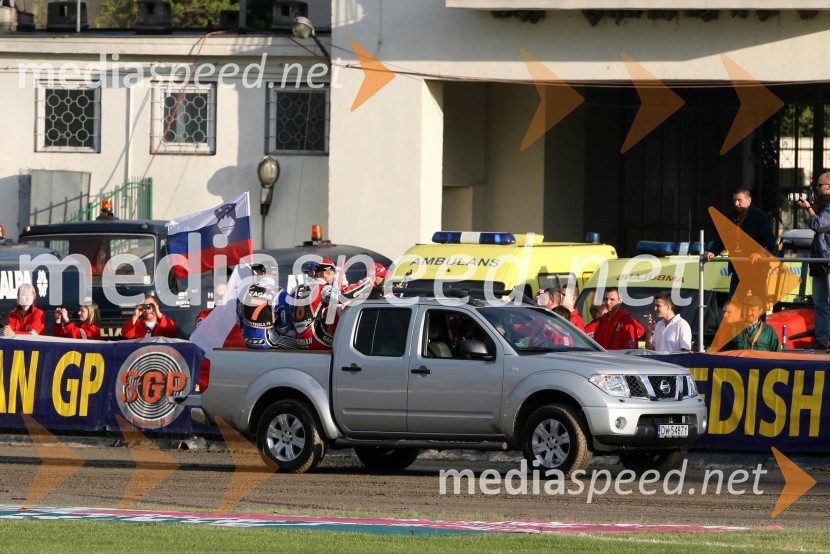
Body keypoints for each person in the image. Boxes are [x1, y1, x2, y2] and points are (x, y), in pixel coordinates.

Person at [704, 188, 776, 297]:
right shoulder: (732, 217)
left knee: (756, 303)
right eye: (734, 200)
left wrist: (760, 253)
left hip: (757, 268)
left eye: (739, 200)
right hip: (738, 266)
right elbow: (722, 238)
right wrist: (713, 251)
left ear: (749, 201)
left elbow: (769, 241)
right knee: (733, 302)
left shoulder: (759, 217)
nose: (736, 203)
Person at [797, 173, 830, 351]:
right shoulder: (825, 206)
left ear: (828, 187)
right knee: (820, 303)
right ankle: (821, 340)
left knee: (826, 303)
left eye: (819, 185)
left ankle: (823, 339)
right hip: (820, 261)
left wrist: (809, 209)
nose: (816, 188)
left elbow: (818, 224)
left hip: (827, 260)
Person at [238, 271, 296, 349]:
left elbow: (239, 317)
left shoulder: (244, 290)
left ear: (262, 274)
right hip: (268, 341)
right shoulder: (281, 292)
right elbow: (284, 326)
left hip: (247, 340)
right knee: (299, 342)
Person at [195, 283, 245, 348]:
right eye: (216, 295)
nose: (218, 298)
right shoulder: (204, 315)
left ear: (228, 296)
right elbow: (202, 334)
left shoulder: (237, 315)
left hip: (235, 352)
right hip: (211, 352)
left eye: (222, 296)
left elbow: (240, 338)